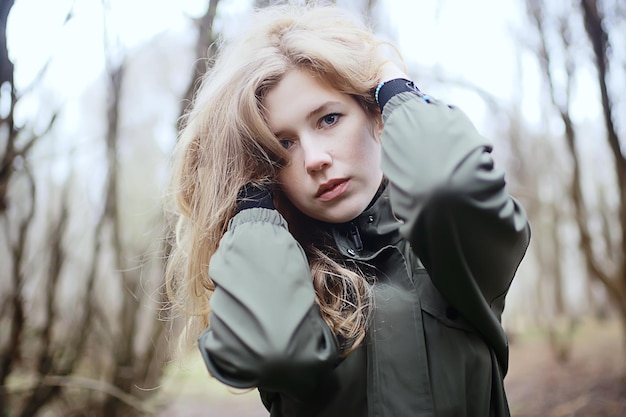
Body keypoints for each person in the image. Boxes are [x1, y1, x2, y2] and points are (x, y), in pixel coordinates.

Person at [165, 4, 531, 417]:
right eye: (282, 144)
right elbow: (269, 350)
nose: (314, 159)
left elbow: (446, 188)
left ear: (375, 113)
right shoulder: (275, 271)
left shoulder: (448, 248)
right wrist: (249, 200)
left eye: (329, 119)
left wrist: (395, 86)